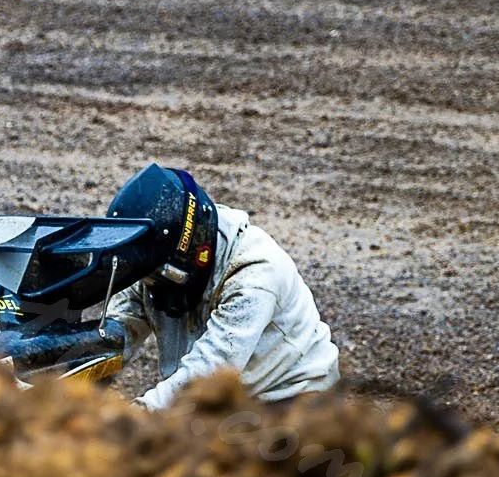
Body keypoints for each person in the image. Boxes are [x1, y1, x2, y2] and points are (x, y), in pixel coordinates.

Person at [99, 164, 340, 411]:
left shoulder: (255, 274)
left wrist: (134, 419)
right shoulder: (157, 261)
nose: (146, 284)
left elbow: (207, 374)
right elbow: (114, 337)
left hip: (294, 400)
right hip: (230, 404)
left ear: (190, 253)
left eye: (154, 276)